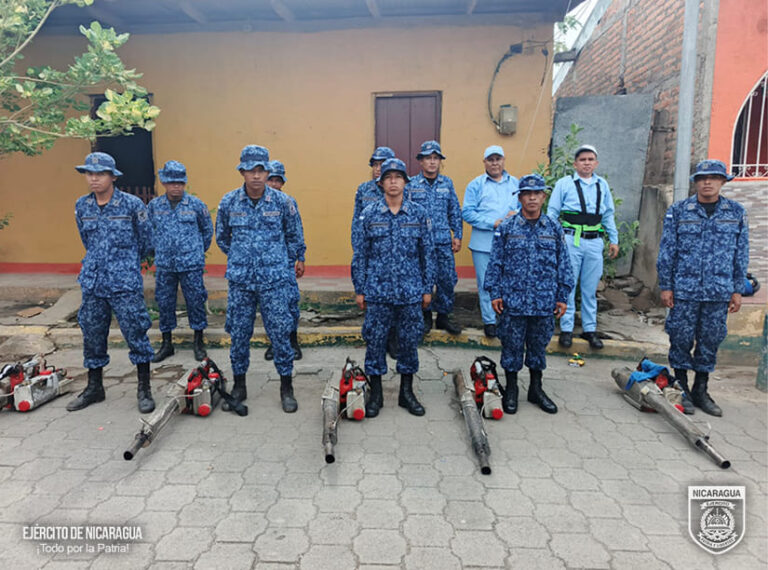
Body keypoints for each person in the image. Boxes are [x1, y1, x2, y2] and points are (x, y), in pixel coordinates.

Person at [657, 159, 749, 416]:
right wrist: (666, 286)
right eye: (702, 178)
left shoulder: (736, 213)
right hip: (684, 290)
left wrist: (737, 289)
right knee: (681, 338)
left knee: (710, 340)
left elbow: (740, 254)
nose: (707, 182)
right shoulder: (679, 211)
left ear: (722, 181)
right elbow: (667, 251)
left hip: (718, 291)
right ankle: (682, 388)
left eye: (713, 177)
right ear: (696, 182)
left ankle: (701, 389)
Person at [67, 152, 156, 413]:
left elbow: (146, 242)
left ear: (112, 177)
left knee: (136, 332)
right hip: (94, 282)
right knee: (92, 334)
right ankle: (95, 387)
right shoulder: (82, 206)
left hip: (124, 282)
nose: (94, 179)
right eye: (90, 174)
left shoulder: (132, 205)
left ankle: (144, 389)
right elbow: (87, 241)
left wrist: (124, 263)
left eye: (100, 174)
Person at [216, 145, 302, 413]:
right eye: (250, 170)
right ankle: (239, 385)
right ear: (241, 171)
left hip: (274, 280)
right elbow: (222, 239)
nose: (255, 175)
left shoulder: (283, 202)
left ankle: (286, 387)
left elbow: (294, 238)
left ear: (267, 172)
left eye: (260, 170)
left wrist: (280, 264)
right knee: (239, 335)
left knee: (280, 335)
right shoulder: (229, 202)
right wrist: (243, 258)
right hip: (241, 281)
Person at [352, 158, 435, 417]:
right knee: (375, 342)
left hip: (410, 291)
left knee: (409, 343)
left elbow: (427, 253)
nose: (393, 181)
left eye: (398, 177)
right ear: (381, 182)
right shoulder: (369, 215)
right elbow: (360, 254)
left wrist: (427, 287)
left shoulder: (419, 214)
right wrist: (360, 288)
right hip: (377, 291)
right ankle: (375, 395)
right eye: (388, 177)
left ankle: (406, 393)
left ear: (405, 182)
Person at [485, 174, 574, 414]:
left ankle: (536, 389)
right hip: (513, 301)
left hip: (544, 301)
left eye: (537, 194)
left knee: (538, 347)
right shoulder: (507, 228)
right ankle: (511, 389)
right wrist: (495, 292)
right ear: (520, 197)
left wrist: (562, 296)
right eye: (527, 194)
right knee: (511, 347)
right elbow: (495, 263)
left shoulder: (553, 228)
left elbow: (563, 263)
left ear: (544, 197)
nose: (532, 198)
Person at [547, 144, 619, 349]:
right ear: (575, 163)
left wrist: (613, 239)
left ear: (596, 163)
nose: (586, 163)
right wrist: (553, 239)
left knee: (589, 288)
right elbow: (552, 212)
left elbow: (607, 214)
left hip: (594, 240)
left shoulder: (601, 185)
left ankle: (589, 329)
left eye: (590, 159)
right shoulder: (564, 183)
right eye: (582, 159)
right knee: (568, 284)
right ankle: (567, 329)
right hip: (570, 239)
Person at [147, 160, 213, 363]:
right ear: (165, 183)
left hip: (191, 264)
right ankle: (167, 343)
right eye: (171, 182)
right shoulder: (154, 206)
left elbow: (207, 231)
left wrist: (196, 251)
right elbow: (148, 232)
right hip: (165, 264)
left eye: (179, 183)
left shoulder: (196, 205)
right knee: (165, 302)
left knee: (195, 301)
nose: (176, 186)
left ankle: (198, 342)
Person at [462, 145, 520, 337]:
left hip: (510, 244)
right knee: (486, 283)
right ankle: (489, 321)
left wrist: (516, 214)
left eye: (498, 159)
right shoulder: (476, 185)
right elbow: (467, 212)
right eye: (491, 159)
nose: (495, 163)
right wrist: (491, 223)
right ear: (484, 162)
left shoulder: (516, 184)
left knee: (508, 283)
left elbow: (526, 207)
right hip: (483, 243)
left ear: (504, 160)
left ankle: (506, 319)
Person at [406, 140, 463, 335]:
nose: (432, 162)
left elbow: (454, 210)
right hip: (419, 243)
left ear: (440, 162)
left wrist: (458, 234)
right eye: (428, 158)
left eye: (435, 158)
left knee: (447, 279)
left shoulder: (447, 184)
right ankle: (425, 317)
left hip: (442, 241)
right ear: (420, 162)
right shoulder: (411, 185)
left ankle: (444, 317)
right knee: (423, 279)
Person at [263, 160, 306, 362]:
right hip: (263, 265)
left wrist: (301, 258)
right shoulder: (256, 202)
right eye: (270, 179)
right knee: (268, 306)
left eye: (277, 181)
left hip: (285, 263)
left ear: (282, 183)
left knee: (290, 303)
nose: (273, 184)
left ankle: (292, 341)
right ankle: (274, 342)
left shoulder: (288, 202)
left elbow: (296, 231)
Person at [352, 146, 396, 224]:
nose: (378, 169)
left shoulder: (401, 188)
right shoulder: (364, 189)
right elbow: (357, 219)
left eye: (382, 164)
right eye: (375, 165)